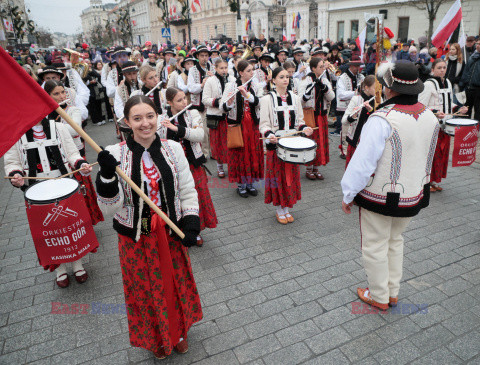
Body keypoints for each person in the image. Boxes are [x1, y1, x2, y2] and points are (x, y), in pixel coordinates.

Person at [95, 95, 202, 359]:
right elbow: (108, 208)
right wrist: (107, 177)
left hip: (170, 228)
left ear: (158, 117)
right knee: (146, 288)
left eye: (150, 116)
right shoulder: (115, 154)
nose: (145, 123)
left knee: (174, 282)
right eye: (138, 118)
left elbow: (187, 189)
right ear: (127, 123)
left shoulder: (173, 149)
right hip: (139, 229)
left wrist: (191, 222)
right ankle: (156, 338)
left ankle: (178, 332)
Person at [341, 62, 439, 310]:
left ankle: (379, 296)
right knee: (395, 240)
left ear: (390, 89)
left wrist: (348, 193)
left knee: (374, 245)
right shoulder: (429, 115)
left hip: (380, 195)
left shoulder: (382, 118)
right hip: (413, 192)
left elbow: (362, 163)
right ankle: (391, 292)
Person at [4, 116, 93, 288]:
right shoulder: (16, 132)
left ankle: (77, 264)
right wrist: (15, 174)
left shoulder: (59, 127)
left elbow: (73, 153)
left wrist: (81, 164)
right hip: (36, 191)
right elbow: (11, 162)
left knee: (70, 227)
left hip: (64, 186)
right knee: (49, 232)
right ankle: (59, 268)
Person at [159, 88, 218, 246]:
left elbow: (200, 135)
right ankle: (179, 229)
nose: (184, 102)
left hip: (192, 163)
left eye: (184, 98)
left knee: (196, 195)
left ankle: (196, 229)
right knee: (176, 196)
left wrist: (177, 129)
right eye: (179, 100)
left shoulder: (192, 114)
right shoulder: (162, 118)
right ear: (169, 103)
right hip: (173, 166)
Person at [260, 67, 313, 224]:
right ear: (273, 80)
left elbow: (300, 122)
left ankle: (287, 208)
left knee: (290, 177)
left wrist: (305, 129)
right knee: (278, 177)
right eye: (281, 77)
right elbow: (263, 124)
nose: (285, 79)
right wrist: (269, 135)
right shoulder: (266, 99)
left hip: (292, 145)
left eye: (287, 77)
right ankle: (279, 209)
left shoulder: (295, 98)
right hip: (276, 146)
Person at [419, 59, 469, 192]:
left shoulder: (447, 82)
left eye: (444, 67)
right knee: (432, 153)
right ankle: (426, 182)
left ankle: (434, 180)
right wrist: (435, 112)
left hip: (445, 125)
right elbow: (420, 105)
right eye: (439, 67)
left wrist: (459, 107)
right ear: (433, 69)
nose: (442, 70)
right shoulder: (428, 84)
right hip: (432, 125)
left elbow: (448, 104)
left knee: (442, 153)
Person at [220, 60, 264, 197]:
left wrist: (248, 96)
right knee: (240, 155)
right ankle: (241, 185)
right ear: (241, 73)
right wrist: (229, 103)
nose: (252, 73)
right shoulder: (231, 85)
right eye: (249, 70)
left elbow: (261, 102)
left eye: (253, 70)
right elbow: (222, 107)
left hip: (253, 124)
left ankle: (250, 183)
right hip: (238, 126)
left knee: (253, 153)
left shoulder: (256, 85)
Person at [299, 58, 335, 180]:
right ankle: (309, 168)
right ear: (313, 68)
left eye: (323, 66)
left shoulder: (324, 79)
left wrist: (324, 88)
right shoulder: (305, 80)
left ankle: (316, 168)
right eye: (320, 67)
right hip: (311, 116)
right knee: (311, 143)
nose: (323, 69)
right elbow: (299, 101)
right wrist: (306, 95)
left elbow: (331, 97)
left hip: (322, 116)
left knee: (320, 144)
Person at [203, 58, 234, 178]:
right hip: (216, 117)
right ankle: (220, 167)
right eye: (221, 68)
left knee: (230, 143)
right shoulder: (210, 81)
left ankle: (231, 166)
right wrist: (219, 101)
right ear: (215, 69)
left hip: (229, 116)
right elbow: (205, 99)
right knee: (218, 144)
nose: (224, 70)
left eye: (225, 68)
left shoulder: (232, 79)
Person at [342, 75, 377, 166]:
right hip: (355, 139)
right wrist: (353, 116)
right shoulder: (356, 99)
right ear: (366, 87)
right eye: (375, 87)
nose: (377, 90)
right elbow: (344, 121)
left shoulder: (378, 101)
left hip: (369, 142)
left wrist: (371, 111)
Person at [334, 56, 365, 157]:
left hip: (358, 106)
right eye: (356, 66)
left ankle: (355, 149)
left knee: (357, 128)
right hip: (345, 107)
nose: (358, 68)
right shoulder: (342, 77)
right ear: (351, 66)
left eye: (359, 66)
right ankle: (344, 151)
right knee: (346, 129)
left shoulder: (361, 77)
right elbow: (341, 94)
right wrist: (356, 93)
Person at [188, 45, 214, 158]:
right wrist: (202, 85)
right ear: (197, 56)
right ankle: (204, 153)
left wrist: (214, 78)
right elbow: (191, 88)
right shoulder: (192, 70)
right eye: (202, 56)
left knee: (211, 130)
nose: (204, 58)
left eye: (206, 56)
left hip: (210, 104)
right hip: (198, 105)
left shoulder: (212, 68)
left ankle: (213, 152)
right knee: (202, 131)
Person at [87, 61, 114, 126]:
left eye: (89, 63)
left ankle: (108, 117)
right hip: (91, 90)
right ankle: (98, 119)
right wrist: (90, 82)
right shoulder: (88, 71)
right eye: (88, 64)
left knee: (104, 103)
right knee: (95, 106)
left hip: (100, 89)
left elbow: (98, 77)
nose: (89, 65)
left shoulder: (95, 71)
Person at [460, 39, 480, 121]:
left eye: (479, 44)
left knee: (478, 110)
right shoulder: (472, 56)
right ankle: (465, 127)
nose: (477, 45)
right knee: (466, 109)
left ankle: (476, 128)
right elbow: (466, 70)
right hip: (468, 87)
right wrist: (462, 83)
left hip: (478, 88)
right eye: (477, 44)